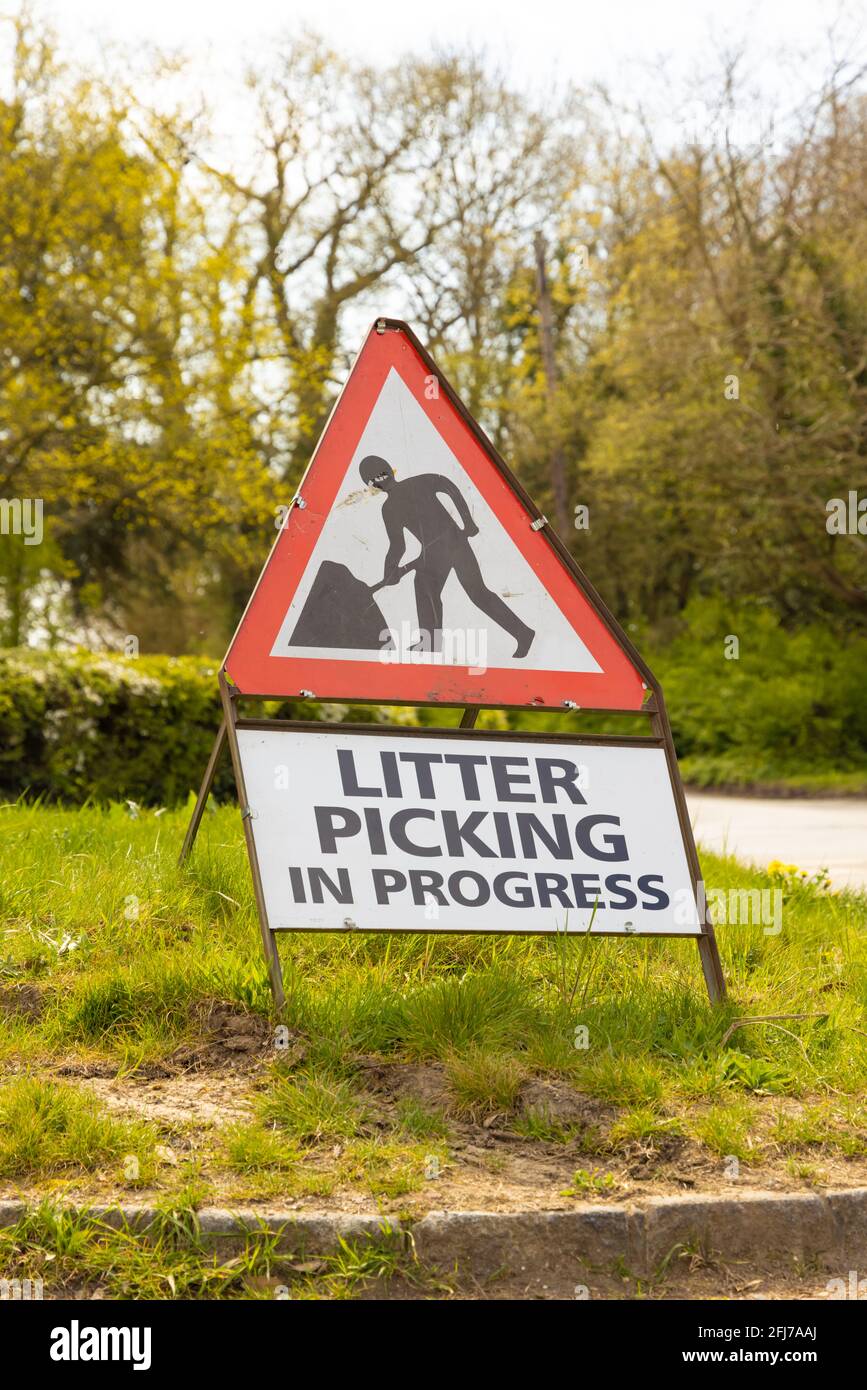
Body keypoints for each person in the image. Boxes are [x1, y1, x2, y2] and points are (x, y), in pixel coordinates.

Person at [359, 455, 535, 658]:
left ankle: (523, 633)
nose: (379, 481)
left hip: (454, 544)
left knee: (475, 593)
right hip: (435, 554)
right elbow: (397, 545)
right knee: (427, 588)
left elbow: (449, 486)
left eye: (377, 477)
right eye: (375, 479)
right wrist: (390, 570)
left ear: (376, 480)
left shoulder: (414, 487)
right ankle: (431, 644)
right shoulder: (392, 506)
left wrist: (468, 522)